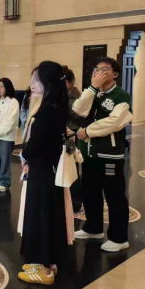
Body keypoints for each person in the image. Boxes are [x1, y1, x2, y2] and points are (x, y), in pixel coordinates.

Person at [73, 57, 133, 253]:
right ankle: (93, 228)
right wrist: (92, 88)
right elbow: (78, 110)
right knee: (90, 192)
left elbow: (115, 122)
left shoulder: (121, 95)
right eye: (97, 69)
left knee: (114, 196)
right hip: (90, 153)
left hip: (110, 155)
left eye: (104, 69)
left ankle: (119, 238)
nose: (99, 72)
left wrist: (88, 131)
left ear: (115, 74)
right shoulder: (94, 93)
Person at [18, 61, 69, 286]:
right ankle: (45, 262)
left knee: (43, 217)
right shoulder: (55, 105)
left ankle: (46, 270)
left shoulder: (47, 109)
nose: (32, 83)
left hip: (42, 172)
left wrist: (24, 155)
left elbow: (36, 143)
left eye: (36, 79)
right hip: (47, 170)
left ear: (48, 82)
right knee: (45, 216)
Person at [63, 66, 84, 213]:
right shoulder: (60, 94)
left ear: (70, 82)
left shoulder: (78, 96)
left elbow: (79, 117)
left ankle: (75, 203)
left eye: (64, 81)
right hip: (62, 133)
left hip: (73, 133)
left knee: (73, 170)